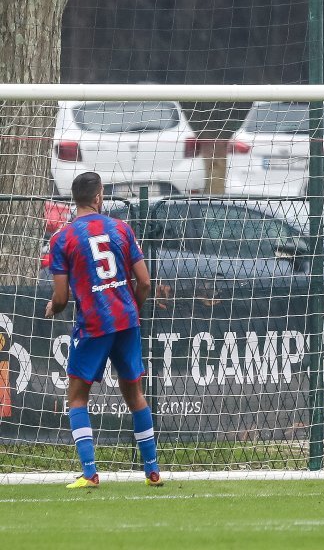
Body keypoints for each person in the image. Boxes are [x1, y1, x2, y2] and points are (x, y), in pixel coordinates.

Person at [45, 172, 162, 488]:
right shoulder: (122, 228)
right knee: (135, 394)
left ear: (76, 199)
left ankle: (90, 473)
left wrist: (53, 307)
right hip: (126, 320)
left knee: (77, 397)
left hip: (94, 324)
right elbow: (146, 282)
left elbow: (61, 297)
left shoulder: (63, 239)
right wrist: (132, 310)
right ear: (99, 197)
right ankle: (152, 471)